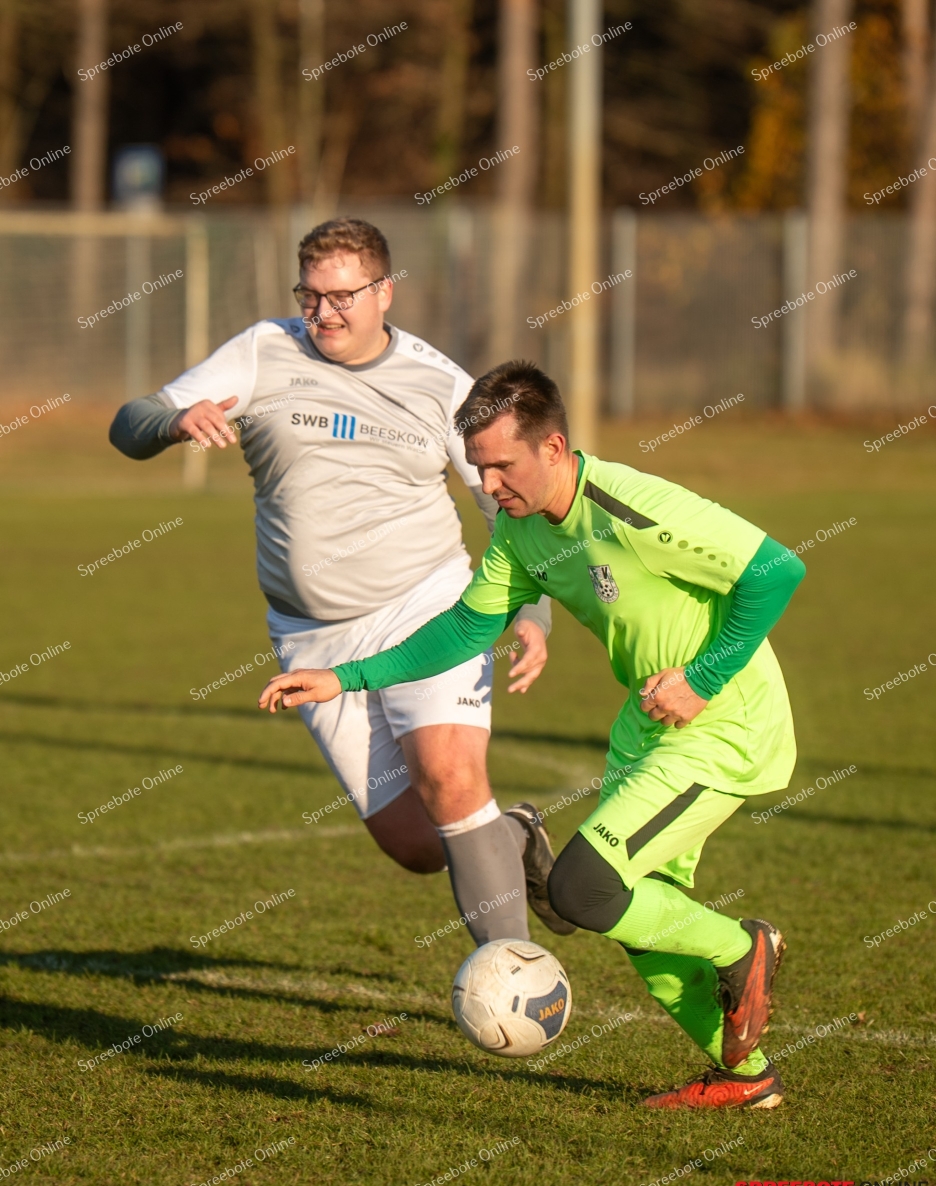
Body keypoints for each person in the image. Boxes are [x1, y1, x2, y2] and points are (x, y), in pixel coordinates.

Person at [258, 359, 807, 1110]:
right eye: (477, 468)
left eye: (501, 467)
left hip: (725, 723)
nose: (488, 485)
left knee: (584, 889)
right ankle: (747, 1077)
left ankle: (743, 947)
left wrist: (704, 679)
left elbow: (775, 570)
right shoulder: (521, 533)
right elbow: (465, 630)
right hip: (649, 726)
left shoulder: (629, 504)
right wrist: (344, 677)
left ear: (552, 448)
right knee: (642, 919)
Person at [109, 218, 575, 946]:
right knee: (418, 845)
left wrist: (532, 612)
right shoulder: (263, 350)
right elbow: (128, 424)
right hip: (312, 634)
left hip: (429, 606)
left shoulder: (441, 383)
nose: (321, 313)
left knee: (451, 779)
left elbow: (507, 500)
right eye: (309, 295)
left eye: (341, 297)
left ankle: (516, 971)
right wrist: (174, 423)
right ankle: (511, 835)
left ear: (385, 292)